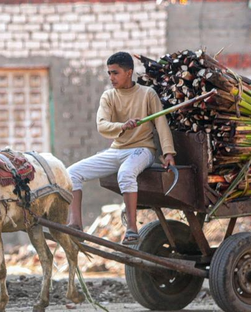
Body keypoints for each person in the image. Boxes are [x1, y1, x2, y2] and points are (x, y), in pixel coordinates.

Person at [67, 52, 176, 244]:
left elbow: (161, 125)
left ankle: (132, 229)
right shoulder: (108, 96)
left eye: (115, 73)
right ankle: (75, 224)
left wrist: (168, 153)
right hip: (116, 150)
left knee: (125, 174)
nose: (111, 78)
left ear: (129, 73)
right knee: (72, 173)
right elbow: (102, 126)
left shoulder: (147, 94)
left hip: (142, 150)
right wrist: (122, 126)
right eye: (109, 73)